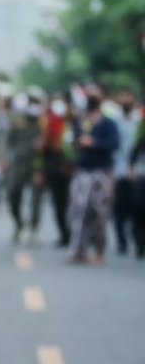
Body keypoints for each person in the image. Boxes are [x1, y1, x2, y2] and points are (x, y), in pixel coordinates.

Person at [67, 87, 119, 265]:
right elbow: (73, 140)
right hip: (83, 171)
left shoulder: (108, 123)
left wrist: (94, 142)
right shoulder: (81, 121)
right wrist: (80, 141)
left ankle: (99, 250)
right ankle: (78, 249)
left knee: (100, 212)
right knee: (79, 209)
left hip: (102, 171)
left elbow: (114, 143)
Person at [4, 92, 45, 244]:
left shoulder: (42, 123)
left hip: (35, 165)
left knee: (36, 199)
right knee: (13, 195)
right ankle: (19, 223)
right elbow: (8, 143)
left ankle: (33, 228)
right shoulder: (17, 122)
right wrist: (5, 159)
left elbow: (42, 149)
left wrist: (39, 169)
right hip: (17, 165)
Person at [109, 89, 139, 256]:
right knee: (118, 209)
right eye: (122, 96)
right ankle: (121, 241)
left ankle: (137, 239)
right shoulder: (114, 120)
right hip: (118, 169)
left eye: (128, 96)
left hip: (137, 171)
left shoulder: (140, 119)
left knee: (137, 207)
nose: (125, 99)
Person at [41, 94, 73, 247]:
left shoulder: (76, 122)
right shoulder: (48, 121)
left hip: (74, 169)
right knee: (59, 203)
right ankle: (65, 234)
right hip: (55, 167)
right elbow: (44, 146)